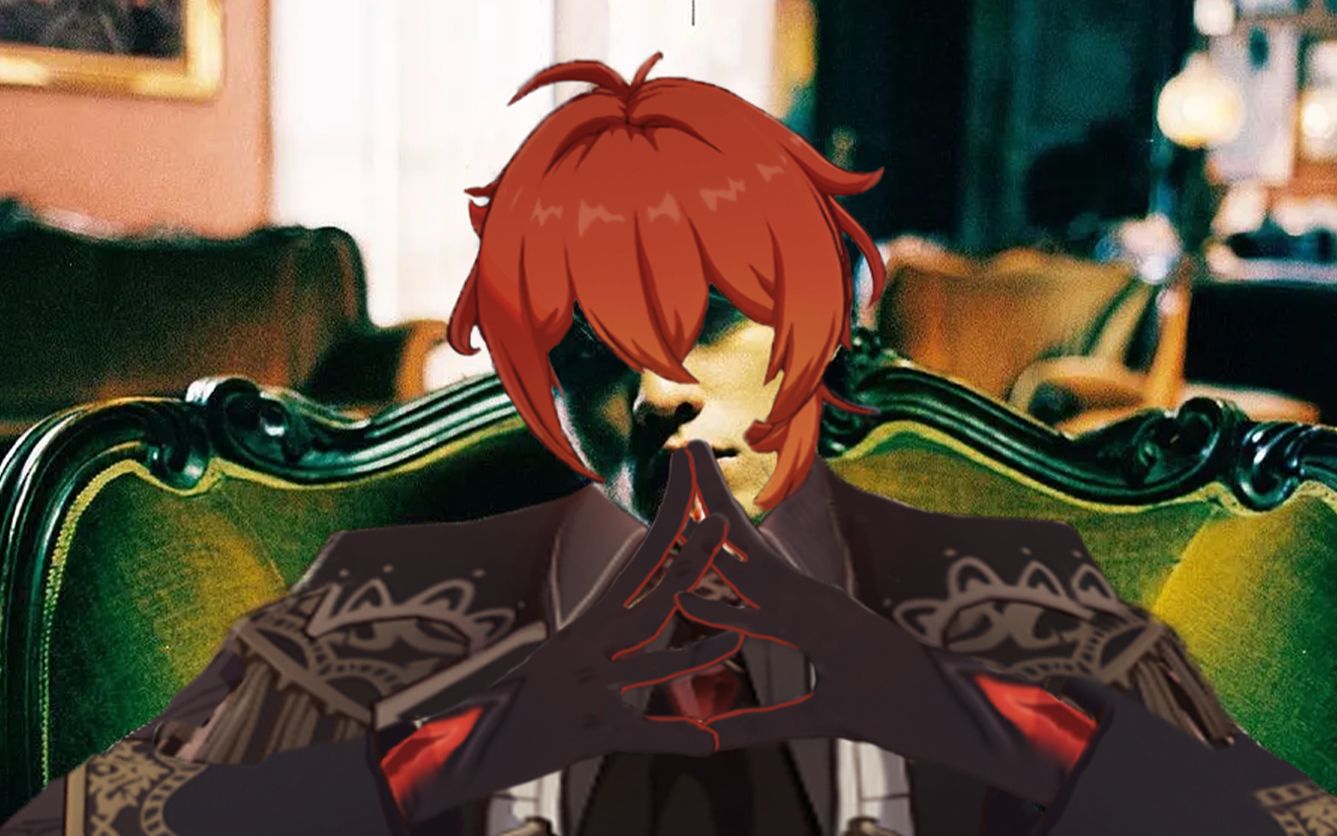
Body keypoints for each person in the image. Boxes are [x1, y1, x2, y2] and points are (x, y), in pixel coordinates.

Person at [3, 55, 1334, 836]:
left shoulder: (1015, 587)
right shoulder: (389, 595)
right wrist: (445, 750)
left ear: (813, 330)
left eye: (707, 325)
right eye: (591, 349)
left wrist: (965, 710)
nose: (655, 393)